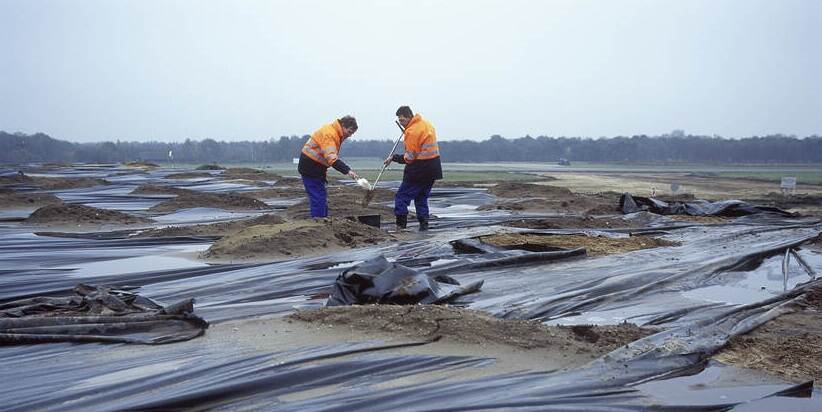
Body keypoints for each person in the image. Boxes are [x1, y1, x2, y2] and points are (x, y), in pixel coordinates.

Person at [384, 106, 442, 231]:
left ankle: (400, 226)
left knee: (401, 197)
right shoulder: (426, 124)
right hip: (433, 168)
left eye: (403, 120)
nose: (401, 123)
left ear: (409, 117)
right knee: (421, 197)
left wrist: (393, 158)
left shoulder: (412, 132)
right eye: (399, 121)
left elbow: (409, 157)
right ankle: (424, 225)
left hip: (418, 170)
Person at [298, 116, 360, 218]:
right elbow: (331, 158)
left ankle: (323, 221)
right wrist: (348, 171)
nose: (349, 136)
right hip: (310, 167)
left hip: (316, 167)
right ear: (343, 126)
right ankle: (319, 222)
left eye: (352, 133)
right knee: (318, 197)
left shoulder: (334, 132)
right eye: (349, 132)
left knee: (321, 196)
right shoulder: (330, 134)